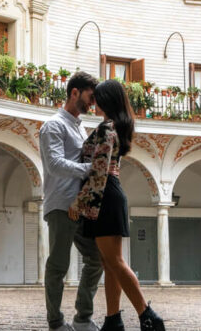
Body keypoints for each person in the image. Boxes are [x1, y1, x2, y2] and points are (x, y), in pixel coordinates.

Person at [68, 80, 166, 331]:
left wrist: (78, 204)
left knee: (115, 261)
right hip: (111, 194)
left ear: (107, 100)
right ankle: (113, 319)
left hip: (104, 197)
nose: (94, 102)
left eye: (97, 98)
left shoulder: (105, 129)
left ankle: (148, 316)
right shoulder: (116, 128)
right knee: (111, 262)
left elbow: (98, 173)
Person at [39, 71, 103, 331]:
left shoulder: (80, 127)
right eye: (90, 96)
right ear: (74, 92)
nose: (92, 102)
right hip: (60, 205)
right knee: (58, 264)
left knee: (97, 258)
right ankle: (55, 322)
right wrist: (90, 169)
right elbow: (54, 164)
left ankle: (82, 317)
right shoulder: (53, 125)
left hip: (81, 205)